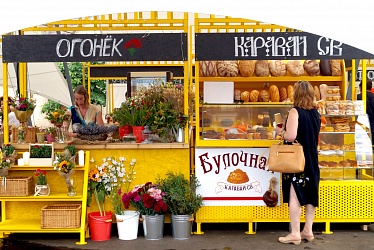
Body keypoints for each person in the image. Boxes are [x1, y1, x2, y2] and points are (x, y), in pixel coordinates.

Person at [274, 80, 321, 245]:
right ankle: (308, 230)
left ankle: (295, 233)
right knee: (310, 194)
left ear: (297, 94)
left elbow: (291, 136)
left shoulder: (295, 111)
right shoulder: (316, 112)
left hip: (297, 158)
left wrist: (280, 131)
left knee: (295, 194)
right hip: (312, 157)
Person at [357, 78, 374, 145]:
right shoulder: (373, 97)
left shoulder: (357, 97)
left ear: (360, 87)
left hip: (361, 126)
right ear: (371, 87)